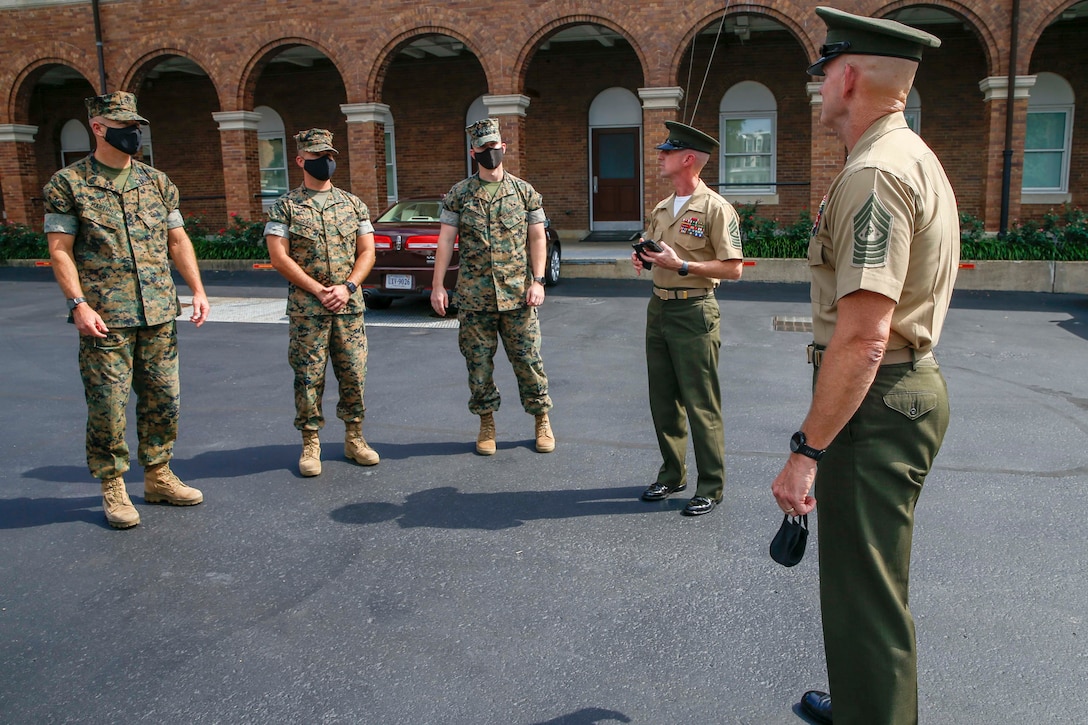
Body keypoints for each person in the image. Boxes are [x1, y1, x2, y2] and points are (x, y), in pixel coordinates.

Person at [770, 8, 958, 724]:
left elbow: (864, 338)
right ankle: (861, 705)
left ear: (847, 77)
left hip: (876, 401)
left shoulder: (876, 173)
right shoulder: (910, 154)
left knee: (866, 593)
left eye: (823, 75)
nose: (819, 89)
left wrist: (805, 451)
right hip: (895, 393)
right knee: (868, 583)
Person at [43, 91, 210, 529]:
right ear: (98, 127)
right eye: (124, 126)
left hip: (157, 310)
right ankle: (113, 485)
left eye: (136, 126)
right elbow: (59, 251)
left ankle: (158, 476)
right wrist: (78, 304)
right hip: (104, 317)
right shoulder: (68, 184)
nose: (133, 133)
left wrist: (197, 289)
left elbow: (177, 241)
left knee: (164, 400)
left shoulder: (157, 183)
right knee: (108, 405)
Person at [631, 121, 744, 517]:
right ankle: (672, 472)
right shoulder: (662, 208)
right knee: (663, 398)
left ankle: (711, 485)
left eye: (668, 152)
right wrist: (645, 259)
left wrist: (681, 265)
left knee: (700, 402)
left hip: (695, 310)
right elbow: (657, 252)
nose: (660, 156)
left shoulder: (715, 207)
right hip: (658, 307)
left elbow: (733, 269)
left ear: (689, 159)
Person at [430, 117, 554, 456]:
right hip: (474, 298)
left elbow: (537, 237)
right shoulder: (460, 194)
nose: (490, 152)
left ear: (504, 147)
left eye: (494, 146)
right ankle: (486, 423)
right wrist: (438, 286)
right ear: (474, 152)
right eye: (483, 147)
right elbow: (445, 241)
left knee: (528, 361)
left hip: (519, 296)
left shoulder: (524, 192)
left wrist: (539, 280)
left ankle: (541, 419)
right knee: (478, 365)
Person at [265, 128, 380, 477]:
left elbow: (368, 251)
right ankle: (310, 442)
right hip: (308, 310)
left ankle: (354, 438)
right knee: (308, 377)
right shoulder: (285, 207)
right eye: (318, 157)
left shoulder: (352, 204)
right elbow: (278, 256)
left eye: (329, 156)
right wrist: (318, 289)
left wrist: (346, 286)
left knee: (354, 375)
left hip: (348, 306)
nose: (326, 162)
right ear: (301, 160)